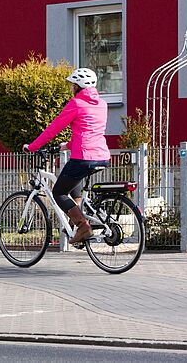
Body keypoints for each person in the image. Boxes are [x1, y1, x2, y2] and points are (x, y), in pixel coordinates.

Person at [23, 68, 110, 244]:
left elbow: (52, 130)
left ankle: (82, 225)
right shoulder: (102, 104)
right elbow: (90, 131)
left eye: (73, 85)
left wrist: (32, 147)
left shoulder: (76, 103)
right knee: (74, 187)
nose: (71, 88)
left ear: (78, 86)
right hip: (102, 155)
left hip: (83, 157)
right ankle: (75, 220)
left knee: (59, 192)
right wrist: (66, 146)